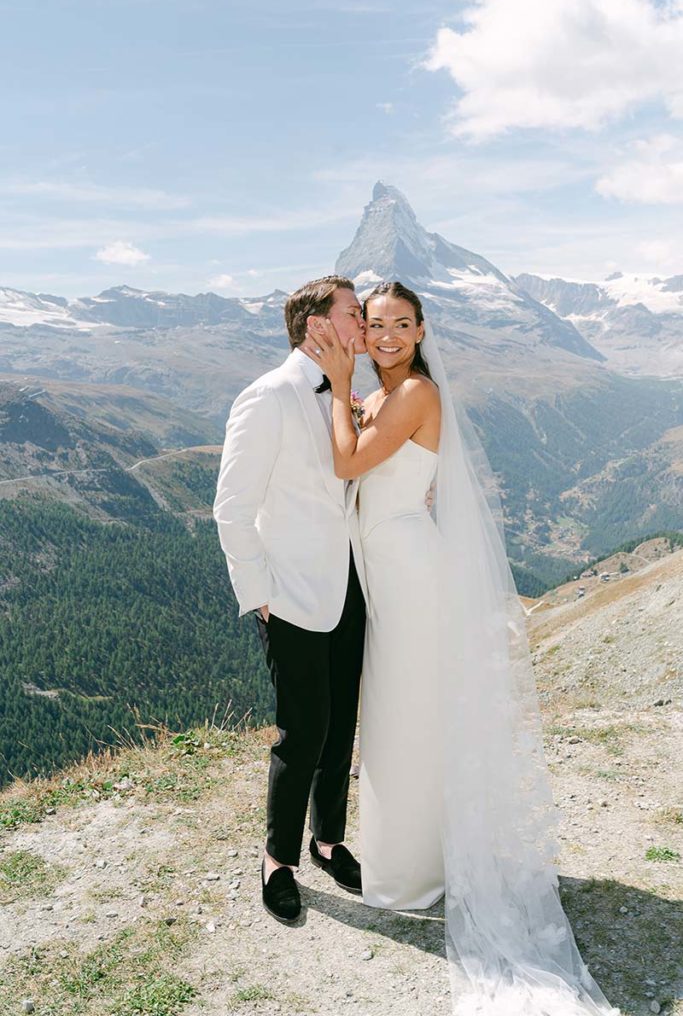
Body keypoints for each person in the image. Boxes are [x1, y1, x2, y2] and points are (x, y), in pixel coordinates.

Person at [302, 281, 619, 1016]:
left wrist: (339, 388)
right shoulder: (383, 396)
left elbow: (349, 468)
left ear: (420, 331)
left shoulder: (409, 392)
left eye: (400, 325)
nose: (385, 335)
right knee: (398, 718)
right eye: (374, 324)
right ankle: (416, 859)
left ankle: (410, 874)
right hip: (387, 567)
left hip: (409, 573)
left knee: (402, 717)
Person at [213, 275, 368, 925]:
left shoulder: (343, 396)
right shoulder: (267, 397)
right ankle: (277, 859)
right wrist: (260, 597)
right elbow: (230, 509)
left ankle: (327, 839)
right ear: (317, 325)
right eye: (353, 314)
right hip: (291, 597)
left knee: (340, 729)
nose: (363, 324)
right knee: (301, 733)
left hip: (349, 586)